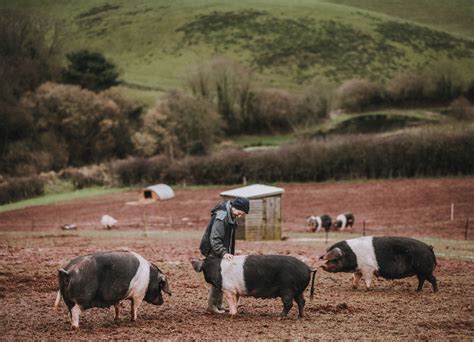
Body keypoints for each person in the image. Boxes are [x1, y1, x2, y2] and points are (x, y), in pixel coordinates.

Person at [198, 196, 250, 314]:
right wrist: (224, 252)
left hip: (221, 250)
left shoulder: (230, 214)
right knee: (218, 279)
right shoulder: (222, 217)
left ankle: (219, 304)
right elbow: (215, 238)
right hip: (213, 250)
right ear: (234, 207)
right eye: (239, 212)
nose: (240, 215)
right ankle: (212, 306)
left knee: (223, 277)